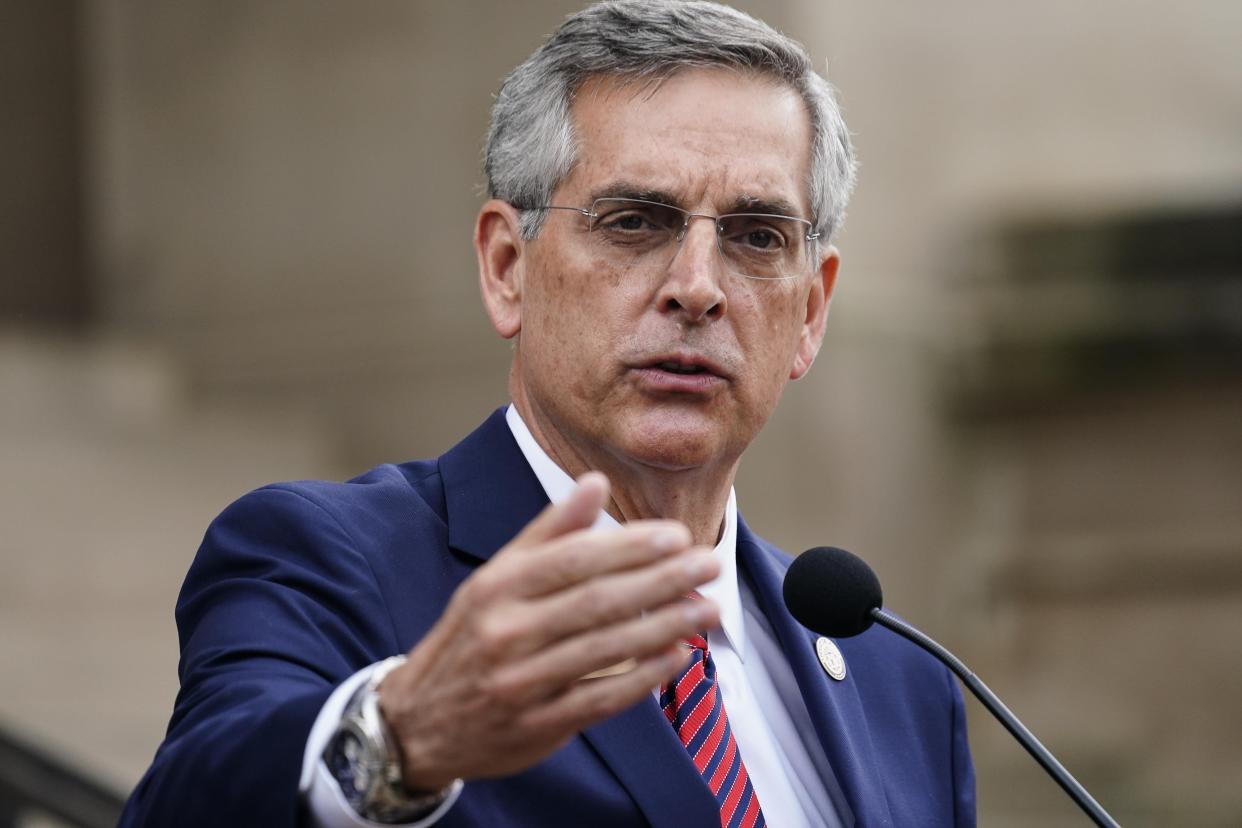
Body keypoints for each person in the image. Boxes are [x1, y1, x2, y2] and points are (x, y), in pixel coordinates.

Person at [121, 2, 975, 826]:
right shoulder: (331, 562)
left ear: (812, 313)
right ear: (505, 267)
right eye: (635, 221)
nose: (699, 288)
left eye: (757, 237)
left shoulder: (899, 678)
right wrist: (396, 741)